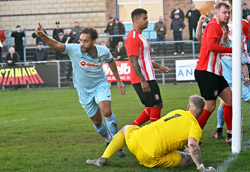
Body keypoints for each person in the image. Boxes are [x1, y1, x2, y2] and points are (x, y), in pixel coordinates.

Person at [35, 24, 126, 156]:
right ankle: (108, 139)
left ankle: (117, 144)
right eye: (81, 40)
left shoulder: (103, 51)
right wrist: (42, 35)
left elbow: (111, 61)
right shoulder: (74, 49)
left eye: (85, 41)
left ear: (94, 42)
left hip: (100, 85)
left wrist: (118, 80)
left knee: (106, 111)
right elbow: (56, 45)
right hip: (83, 91)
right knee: (97, 121)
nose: (82, 44)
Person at [86, 95, 215, 172]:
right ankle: (146, 160)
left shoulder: (178, 112)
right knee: (190, 159)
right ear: (201, 112)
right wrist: (201, 166)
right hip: (149, 155)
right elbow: (192, 144)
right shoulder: (195, 127)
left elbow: (173, 135)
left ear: (188, 107)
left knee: (126, 128)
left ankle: (103, 158)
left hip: (136, 140)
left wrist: (185, 149)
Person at [194, 2, 233, 143]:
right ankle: (193, 136)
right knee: (210, 106)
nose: (227, 15)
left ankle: (230, 135)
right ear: (216, 13)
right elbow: (210, 46)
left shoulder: (220, 27)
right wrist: (232, 50)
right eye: (225, 12)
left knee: (230, 99)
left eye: (229, 13)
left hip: (215, 72)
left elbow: (206, 41)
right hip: (206, 71)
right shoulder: (213, 25)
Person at [125, 8, 169, 126]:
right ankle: (156, 136)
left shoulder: (140, 37)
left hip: (148, 77)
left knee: (155, 105)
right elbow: (133, 60)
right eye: (144, 18)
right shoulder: (133, 37)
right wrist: (143, 81)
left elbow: (144, 60)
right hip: (143, 79)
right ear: (136, 20)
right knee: (156, 105)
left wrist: (159, 66)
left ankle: (131, 128)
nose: (147, 21)